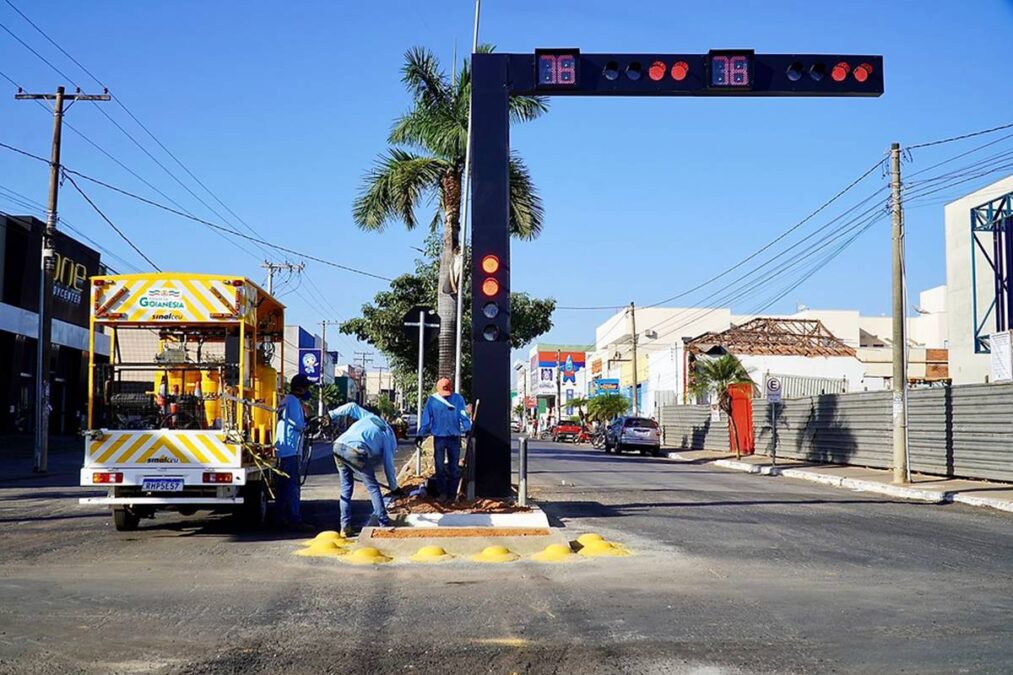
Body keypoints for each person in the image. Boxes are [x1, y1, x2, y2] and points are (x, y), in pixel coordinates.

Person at [328, 402, 400, 536]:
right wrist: (394, 488)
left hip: (338, 445)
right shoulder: (388, 435)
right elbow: (389, 466)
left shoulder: (370, 417)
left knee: (346, 489)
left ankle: (345, 527)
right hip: (355, 450)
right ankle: (384, 523)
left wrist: (331, 414)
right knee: (373, 488)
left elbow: (351, 407)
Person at [417, 377, 471, 502]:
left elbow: (463, 416)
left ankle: (452, 494)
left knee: (454, 468)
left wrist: (467, 429)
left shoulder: (458, 399)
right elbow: (426, 419)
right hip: (439, 438)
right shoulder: (432, 401)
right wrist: (421, 434)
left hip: (454, 438)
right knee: (440, 467)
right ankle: (443, 493)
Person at [274, 374, 312, 530]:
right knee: (293, 485)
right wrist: (308, 424)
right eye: (307, 387)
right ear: (301, 388)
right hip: (291, 448)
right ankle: (295, 519)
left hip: (282, 449)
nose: (308, 390)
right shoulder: (295, 402)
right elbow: (299, 424)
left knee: (283, 485)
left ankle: (279, 517)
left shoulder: (285, 400)